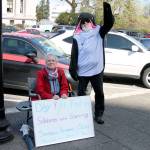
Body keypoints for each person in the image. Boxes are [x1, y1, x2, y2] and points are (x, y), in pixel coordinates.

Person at [69, 2, 114, 124]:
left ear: (92, 22)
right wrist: (72, 70)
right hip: (82, 71)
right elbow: (74, 55)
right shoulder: (77, 36)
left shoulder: (99, 32)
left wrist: (107, 8)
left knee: (99, 93)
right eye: (83, 22)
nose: (85, 24)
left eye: (88, 21)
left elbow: (109, 23)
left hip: (96, 70)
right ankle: (81, 115)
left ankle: (98, 114)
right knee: (81, 94)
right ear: (80, 23)